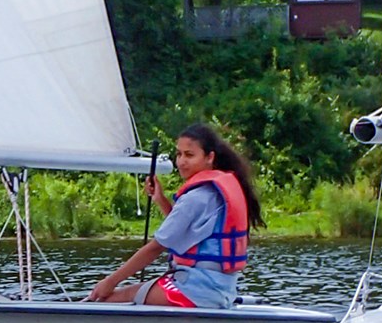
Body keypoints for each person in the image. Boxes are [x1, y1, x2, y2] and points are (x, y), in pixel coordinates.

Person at [86, 124, 258, 308]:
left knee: (109, 299)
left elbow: (155, 248)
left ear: (210, 157)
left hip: (196, 291)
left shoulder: (196, 197)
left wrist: (110, 282)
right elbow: (186, 232)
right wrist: (160, 199)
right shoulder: (214, 191)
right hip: (219, 289)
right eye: (179, 154)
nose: (182, 161)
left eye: (189, 155)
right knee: (130, 292)